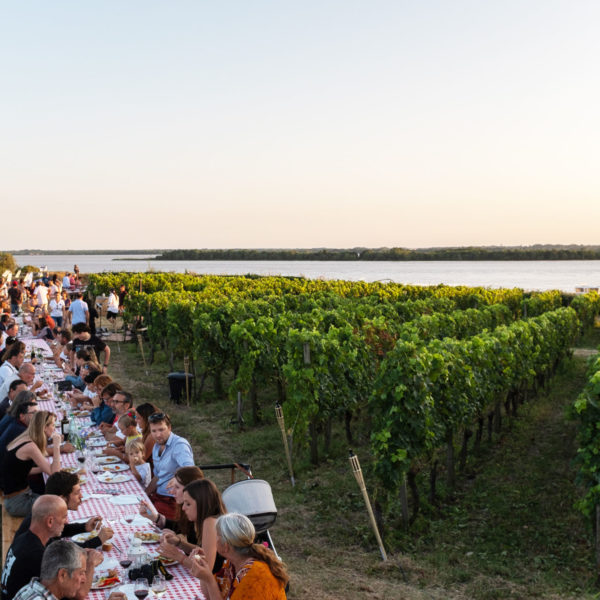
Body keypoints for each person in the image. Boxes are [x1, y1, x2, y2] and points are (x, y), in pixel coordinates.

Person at [183, 513, 289, 600]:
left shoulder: (255, 575)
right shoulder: (232, 564)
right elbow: (211, 595)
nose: (213, 540)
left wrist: (209, 580)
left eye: (217, 536)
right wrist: (204, 573)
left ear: (225, 547)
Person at [15, 471, 113, 549]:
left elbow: (60, 530)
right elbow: (64, 554)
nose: (81, 496)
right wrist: (98, 540)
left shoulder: (44, 512)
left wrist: (84, 527)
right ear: (62, 498)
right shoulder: (45, 523)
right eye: (76, 493)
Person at [0, 495, 69, 600]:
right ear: (50, 522)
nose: (66, 521)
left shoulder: (23, 538)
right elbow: (61, 592)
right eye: (64, 517)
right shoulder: (36, 554)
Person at [0, 410, 62, 516]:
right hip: (17, 503)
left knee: (57, 498)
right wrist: (57, 446)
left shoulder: (25, 437)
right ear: (44, 427)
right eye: (52, 425)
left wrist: (44, 468)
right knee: (59, 504)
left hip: (16, 497)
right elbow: (55, 474)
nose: (54, 428)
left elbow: (20, 470)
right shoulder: (30, 446)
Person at [158, 478, 226, 574]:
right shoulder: (206, 520)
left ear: (202, 503)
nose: (183, 507)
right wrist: (178, 542)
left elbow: (206, 570)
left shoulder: (210, 522)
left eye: (188, 504)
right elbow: (203, 552)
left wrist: (177, 556)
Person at [147, 412, 194, 520]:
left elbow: (190, 470)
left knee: (146, 519)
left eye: (161, 430)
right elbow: (158, 476)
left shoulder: (179, 445)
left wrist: (176, 478)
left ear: (169, 427)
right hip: (159, 496)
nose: (158, 435)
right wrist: (144, 494)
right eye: (154, 431)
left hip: (173, 501)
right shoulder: (156, 446)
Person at [140, 465, 204, 535]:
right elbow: (181, 528)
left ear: (191, 488)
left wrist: (179, 542)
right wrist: (156, 517)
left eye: (177, 487)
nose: (171, 492)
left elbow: (196, 542)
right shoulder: (188, 508)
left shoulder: (204, 517)